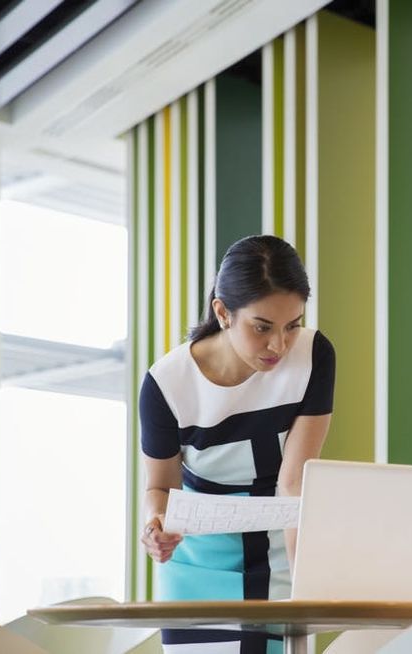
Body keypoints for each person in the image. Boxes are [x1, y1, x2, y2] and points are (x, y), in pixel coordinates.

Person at [139, 235, 335, 653]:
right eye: (262, 327)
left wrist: (304, 586)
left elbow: (295, 482)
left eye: (292, 325)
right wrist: (156, 525)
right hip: (198, 560)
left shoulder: (314, 356)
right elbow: (161, 489)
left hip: (281, 546)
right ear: (223, 312)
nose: (279, 345)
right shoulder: (166, 383)